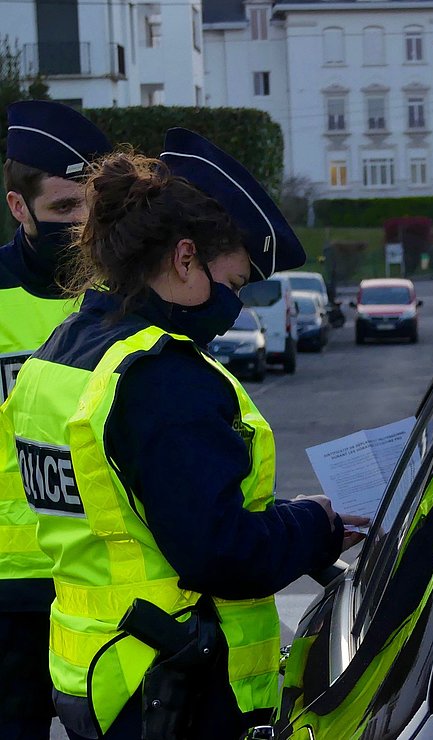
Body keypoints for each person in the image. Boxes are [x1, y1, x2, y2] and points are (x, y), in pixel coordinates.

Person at [1, 129, 364, 740]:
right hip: (175, 679)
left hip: (105, 671)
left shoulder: (63, 352)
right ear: (186, 258)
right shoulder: (162, 377)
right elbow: (217, 552)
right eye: (234, 283)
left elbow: (138, 510)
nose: (237, 306)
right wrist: (313, 527)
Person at [0, 100, 111, 740]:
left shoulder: (126, 293)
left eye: (93, 208)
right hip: (8, 594)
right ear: (21, 209)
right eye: (65, 209)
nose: (83, 225)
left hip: (107, 582)